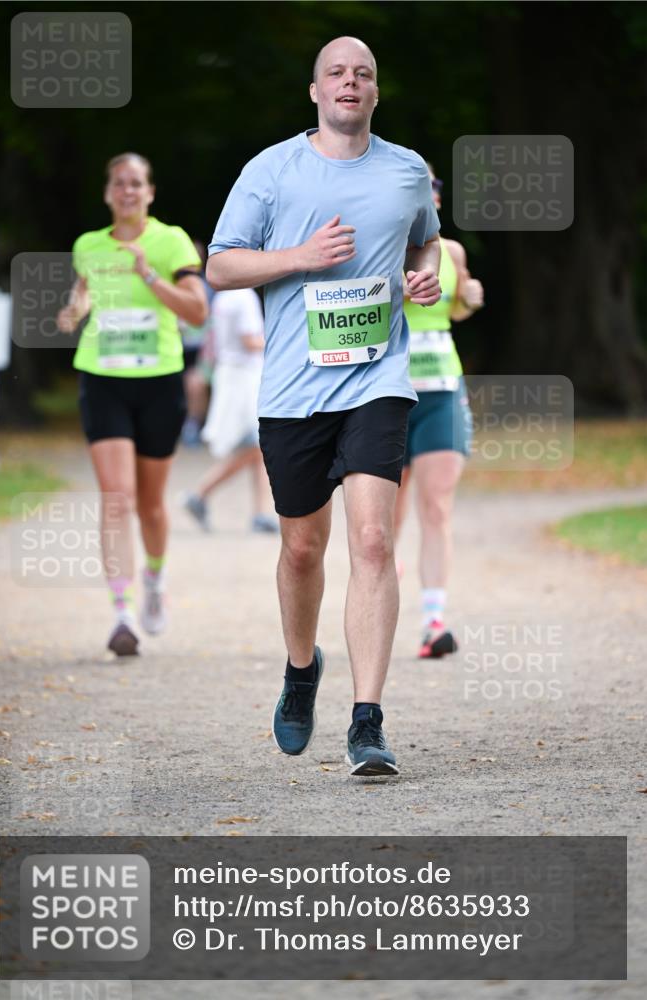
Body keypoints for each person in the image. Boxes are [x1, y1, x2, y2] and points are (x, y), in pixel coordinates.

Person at [207, 36, 441, 776]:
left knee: (372, 543)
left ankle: (366, 722)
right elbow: (219, 264)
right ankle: (301, 668)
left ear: (375, 93)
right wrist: (297, 259)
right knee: (303, 548)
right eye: (337, 73)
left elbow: (427, 245)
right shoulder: (270, 171)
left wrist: (423, 278)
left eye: (363, 74)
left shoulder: (406, 171)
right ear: (315, 91)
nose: (350, 82)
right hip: (292, 392)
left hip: (377, 381)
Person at [57, 153, 207, 656]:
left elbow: (198, 311)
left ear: (150, 192)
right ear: (107, 193)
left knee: (150, 505)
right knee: (117, 497)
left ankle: (155, 581)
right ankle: (122, 614)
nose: (127, 191)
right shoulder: (87, 246)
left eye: (136, 183)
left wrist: (150, 278)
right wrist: (74, 310)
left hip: (160, 380)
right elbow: (84, 295)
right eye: (119, 183)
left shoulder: (171, 241)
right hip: (103, 378)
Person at [393, 166, 484, 658]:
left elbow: (457, 306)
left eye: (430, 188)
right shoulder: (380, 248)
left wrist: (469, 300)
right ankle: (384, 581)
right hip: (388, 396)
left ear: (438, 201)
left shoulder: (451, 254)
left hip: (442, 389)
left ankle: (433, 621)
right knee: (386, 522)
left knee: (437, 506)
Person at [183, 286, 279, 533]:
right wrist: (280, 344)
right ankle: (200, 494)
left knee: (257, 449)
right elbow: (250, 341)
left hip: (230, 374)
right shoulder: (244, 297)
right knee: (256, 446)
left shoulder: (223, 296)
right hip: (245, 378)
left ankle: (260, 512)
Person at [179, 240, 215, 446]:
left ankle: (193, 425)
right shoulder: (169, 282)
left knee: (195, 385)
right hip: (177, 346)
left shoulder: (207, 286)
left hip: (201, 347)